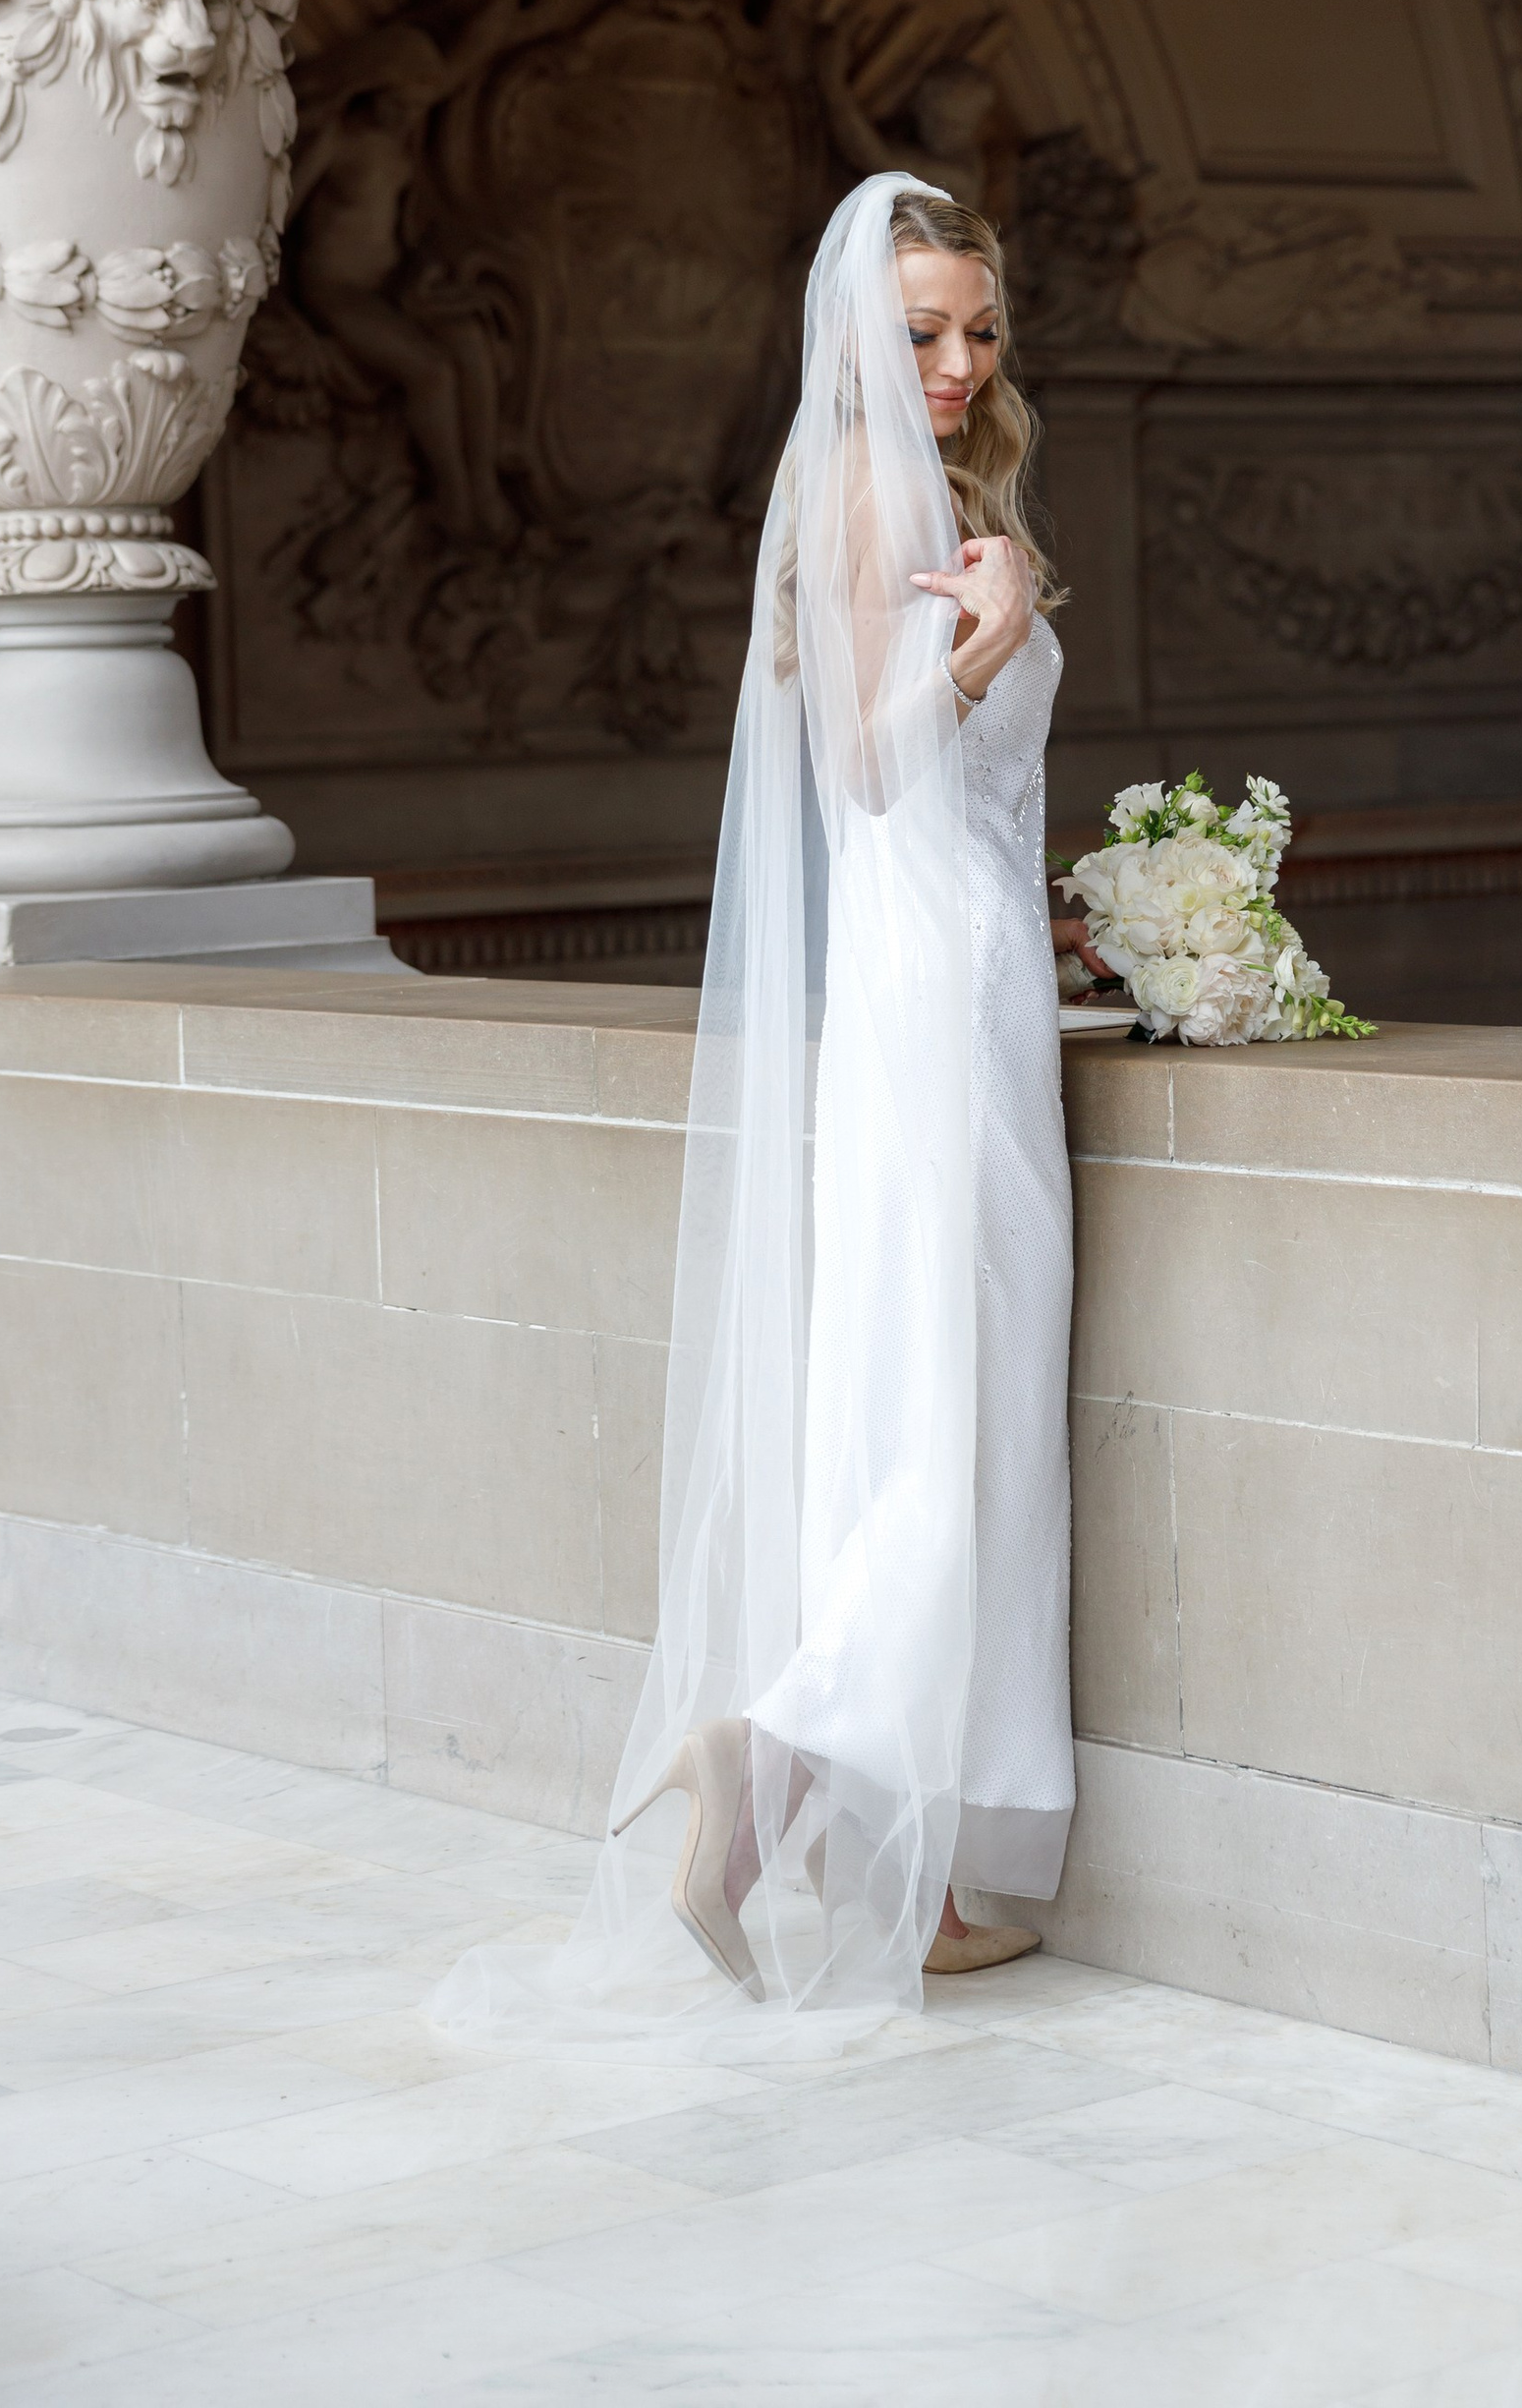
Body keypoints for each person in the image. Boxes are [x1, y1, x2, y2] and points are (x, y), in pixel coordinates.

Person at [434, 170, 1100, 2044]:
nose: (960, 361)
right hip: (941, 999)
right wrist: (999, 626)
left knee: (927, 1392)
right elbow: (882, 774)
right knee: (961, 1409)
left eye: (981, 330)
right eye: (924, 332)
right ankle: (796, 1742)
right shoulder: (886, 492)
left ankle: (883, 1845)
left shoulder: (867, 487)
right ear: (854, 340)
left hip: (934, 982)